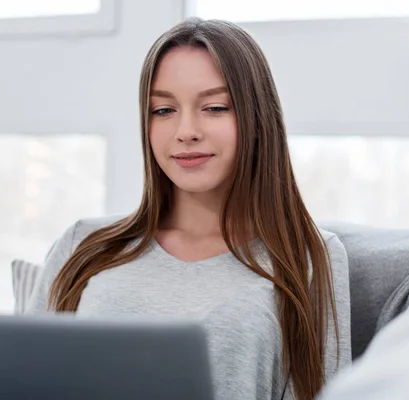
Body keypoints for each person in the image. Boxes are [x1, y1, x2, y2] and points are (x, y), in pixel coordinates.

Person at [27, 17, 351, 400]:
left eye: (214, 107)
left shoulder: (309, 257)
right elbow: (23, 381)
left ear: (257, 119)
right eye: (163, 110)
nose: (186, 131)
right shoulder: (84, 244)